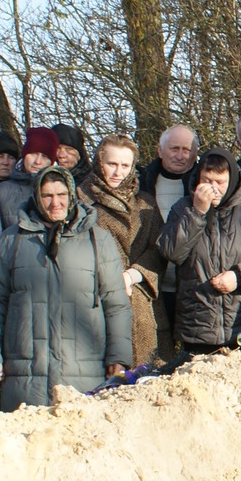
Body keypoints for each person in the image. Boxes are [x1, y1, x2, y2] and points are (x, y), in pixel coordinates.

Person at [0, 167, 132, 409]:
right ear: (36, 198)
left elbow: (115, 303)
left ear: (71, 195)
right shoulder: (11, 240)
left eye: (61, 194)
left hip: (84, 370)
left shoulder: (98, 239)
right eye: (47, 196)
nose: (55, 203)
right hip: (26, 372)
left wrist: (119, 356)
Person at [159, 150, 241, 354]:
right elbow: (171, 253)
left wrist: (240, 277)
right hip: (199, 326)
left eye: (220, 182)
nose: (213, 188)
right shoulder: (183, 209)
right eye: (206, 180)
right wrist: (197, 213)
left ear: (233, 180)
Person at [83, 135, 170, 366]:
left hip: (144, 303)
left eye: (125, 165)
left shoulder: (145, 203)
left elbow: (159, 249)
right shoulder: (80, 202)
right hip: (98, 301)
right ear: (99, 162)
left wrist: (133, 275)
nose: (117, 172)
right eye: (111, 164)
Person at [139, 124, 200, 332]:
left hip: (192, 287)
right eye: (174, 149)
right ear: (160, 151)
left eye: (186, 150)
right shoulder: (140, 184)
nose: (180, 156)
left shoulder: (202, 186)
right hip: (152, 284)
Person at [0, 128, 61, 249]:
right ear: (24, 155)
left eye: (45, 156)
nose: (38, 161)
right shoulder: (1, 191)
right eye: (34, 154)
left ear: (51, 162)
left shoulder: (62, 191)